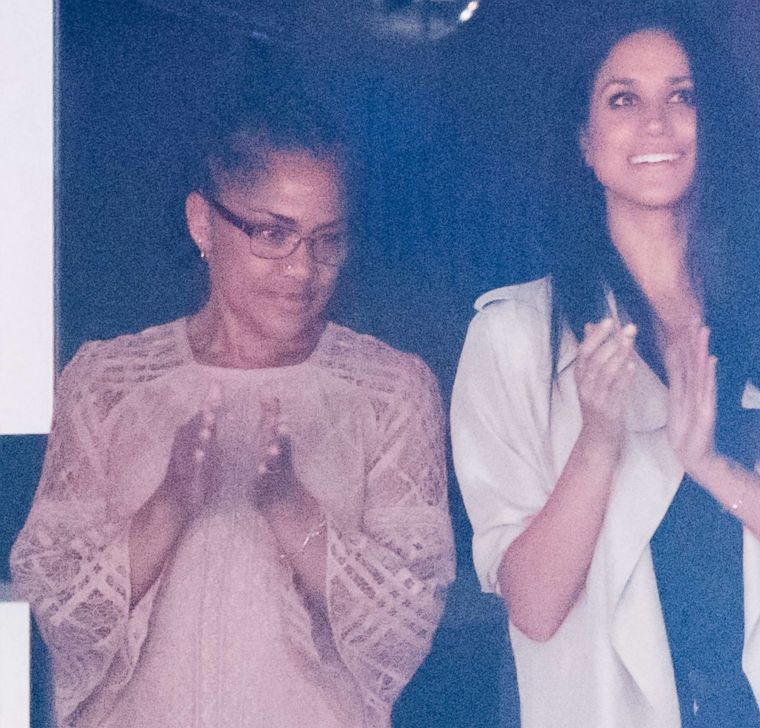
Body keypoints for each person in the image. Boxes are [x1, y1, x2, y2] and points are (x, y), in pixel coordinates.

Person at [451, 8, 760, 728]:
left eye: (683, 95)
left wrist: (713, 467)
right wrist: (598, 439)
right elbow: (534, 609)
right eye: (624, 99)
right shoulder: (513, 337)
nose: (657, 123)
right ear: (586, 140)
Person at [10, 88, 455, 728]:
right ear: (202, 222)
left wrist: (291, 509)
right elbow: (48, 610)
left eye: (326, 240)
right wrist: (168, 504)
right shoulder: (107, 381)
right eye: (273, 234)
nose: (302, 269)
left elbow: (405, 632)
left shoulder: (391, 390)